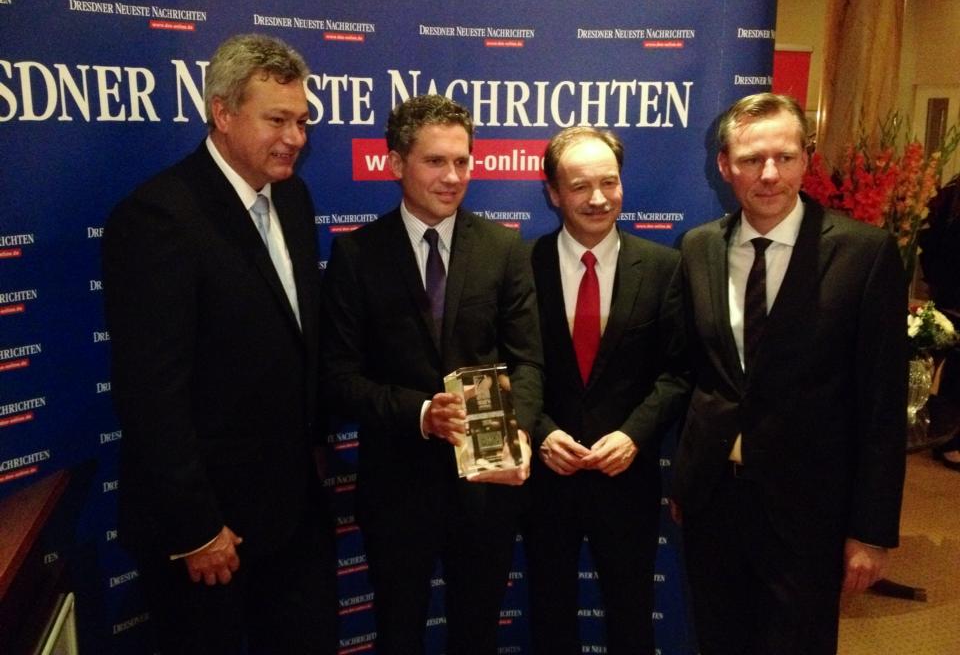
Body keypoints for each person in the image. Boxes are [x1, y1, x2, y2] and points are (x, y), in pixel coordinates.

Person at [102, 34, 336, 654]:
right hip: (211, 537)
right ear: (223, 113)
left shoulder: (293, 196)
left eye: (302, 120)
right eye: (277, 120)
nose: (295, 138)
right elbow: (151, 393)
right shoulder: (159, 218)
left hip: (293, 518)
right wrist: (197, 528)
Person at [672, 93, 908, 655]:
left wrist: (871, 531)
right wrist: (689, 477)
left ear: (807, 158)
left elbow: (881, 405)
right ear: (725, 165)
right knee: (719, 640)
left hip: (810, 510)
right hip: (714, 504)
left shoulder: (864, 254)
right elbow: (696, 374)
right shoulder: (700, 248)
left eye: (785, 155)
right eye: (752, 159)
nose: (770, 174)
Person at [318, 94, 543, 655]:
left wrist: (520, 432)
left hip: (486, 492)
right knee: (398, 634)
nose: (452, 176)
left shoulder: (502, 247)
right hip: (397, 491)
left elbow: (529, 361)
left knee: (476, 635)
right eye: (435, 161)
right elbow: (338, 378)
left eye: (462, 161)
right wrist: (420, 413)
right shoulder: (356, 256)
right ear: (396, 164)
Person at [524, 127, 688, 655]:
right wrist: (541, 433)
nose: (597, 198)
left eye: (609, 182)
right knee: (549, 614)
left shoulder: (665, 268)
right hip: (547, 477)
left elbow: (678, 372)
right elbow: (503, 367)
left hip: (628, 478)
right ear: (553, 192)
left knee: (632, 616)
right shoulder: (521, 267)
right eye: (579, 186)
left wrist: (635, 435)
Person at [919, 172, 960, 469]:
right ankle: (951, 442)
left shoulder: (953, 187)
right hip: (953, 288)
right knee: (957, 361)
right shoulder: (954, 191)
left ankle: (951, 440)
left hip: (948, 286)